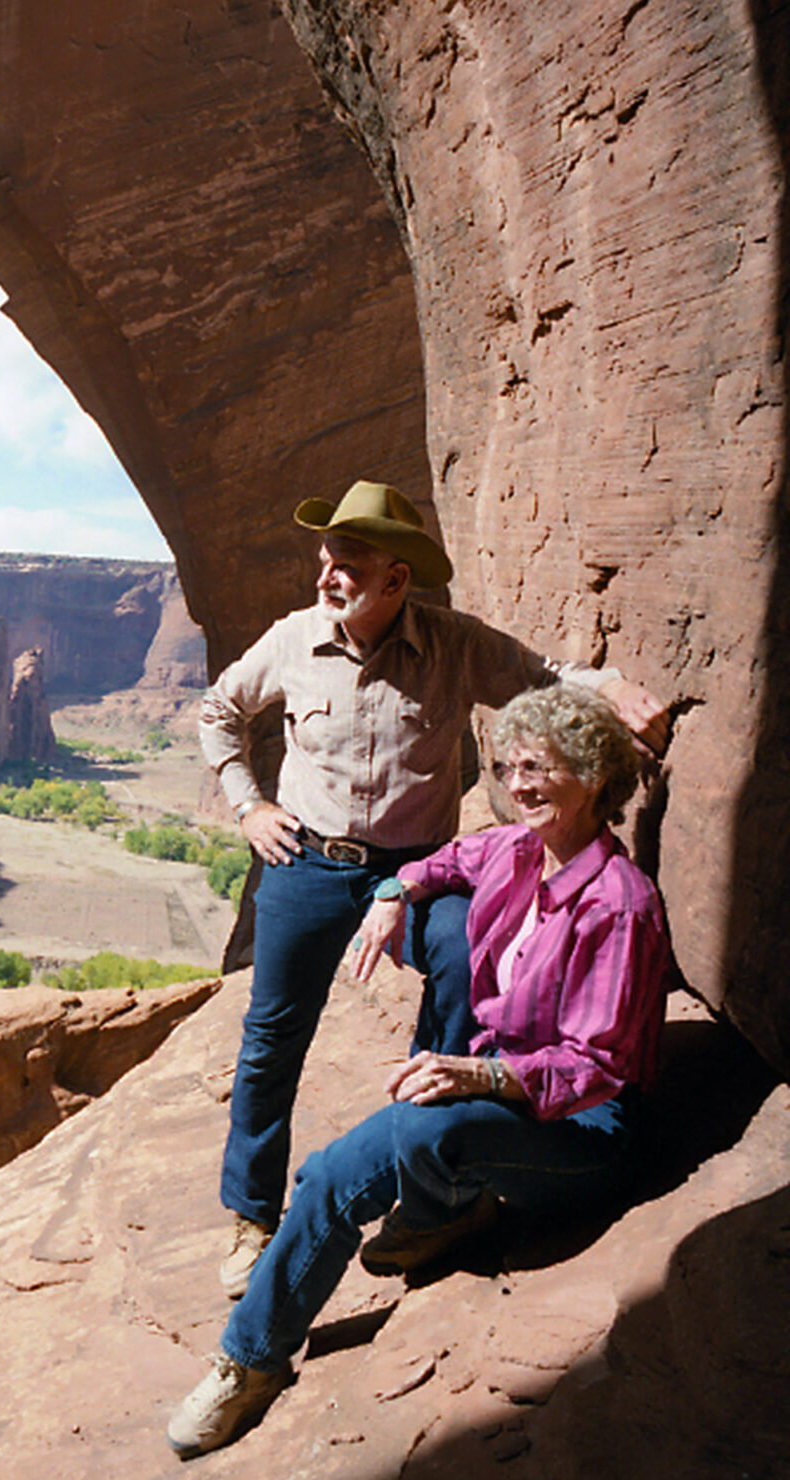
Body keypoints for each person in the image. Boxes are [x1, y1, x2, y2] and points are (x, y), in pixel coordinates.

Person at [167, 685, 672, 1457]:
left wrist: (479, 1077)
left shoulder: (620, 905)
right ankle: (247, 1361)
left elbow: (596, 1066)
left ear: (593, 774)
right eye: (509, 766)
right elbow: (449, 858)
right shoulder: (515, 851)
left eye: (539, 767)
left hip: (583, 1130)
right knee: (335, 1173)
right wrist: (395, 891)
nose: (518, 782)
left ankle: (443, 1212)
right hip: (498, 1093)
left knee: (430, 1117)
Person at [198, 480, 669, 1300]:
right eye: (324, 559)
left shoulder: (454, 644)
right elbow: (218, 712)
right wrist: (251, 806)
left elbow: (547, 679)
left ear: (395, 580)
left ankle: (434, 1170)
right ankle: (250, 1216)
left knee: (461, 953)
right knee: (273, 1037)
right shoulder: (291, 639)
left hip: (415, 871)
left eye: (346, 564)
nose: (325, 577)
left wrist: (613, 687)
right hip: (308, 862)